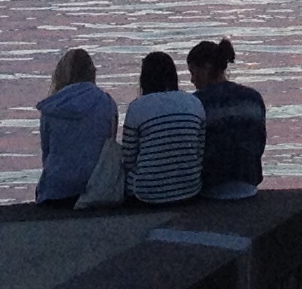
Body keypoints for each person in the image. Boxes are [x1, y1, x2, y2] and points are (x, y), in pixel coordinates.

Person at [120, 50, 208, 207]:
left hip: (147, 194)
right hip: (190, 189)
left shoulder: (137, 107)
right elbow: (199, 151)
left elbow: (129, 159)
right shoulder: (194, 103)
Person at [34, 48, 117, 209]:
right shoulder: (107, 103)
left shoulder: (51, 107)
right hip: (96, 186)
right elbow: (110, 147)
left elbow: (47, 152)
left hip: (56, 188)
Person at [186, 36, 266, 200]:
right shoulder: (253, 98)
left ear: (206, 68)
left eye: (193, 72)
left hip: (211, 188)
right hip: (249, 184)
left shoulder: (196, 103)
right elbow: (259, 143)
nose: (192, 80)